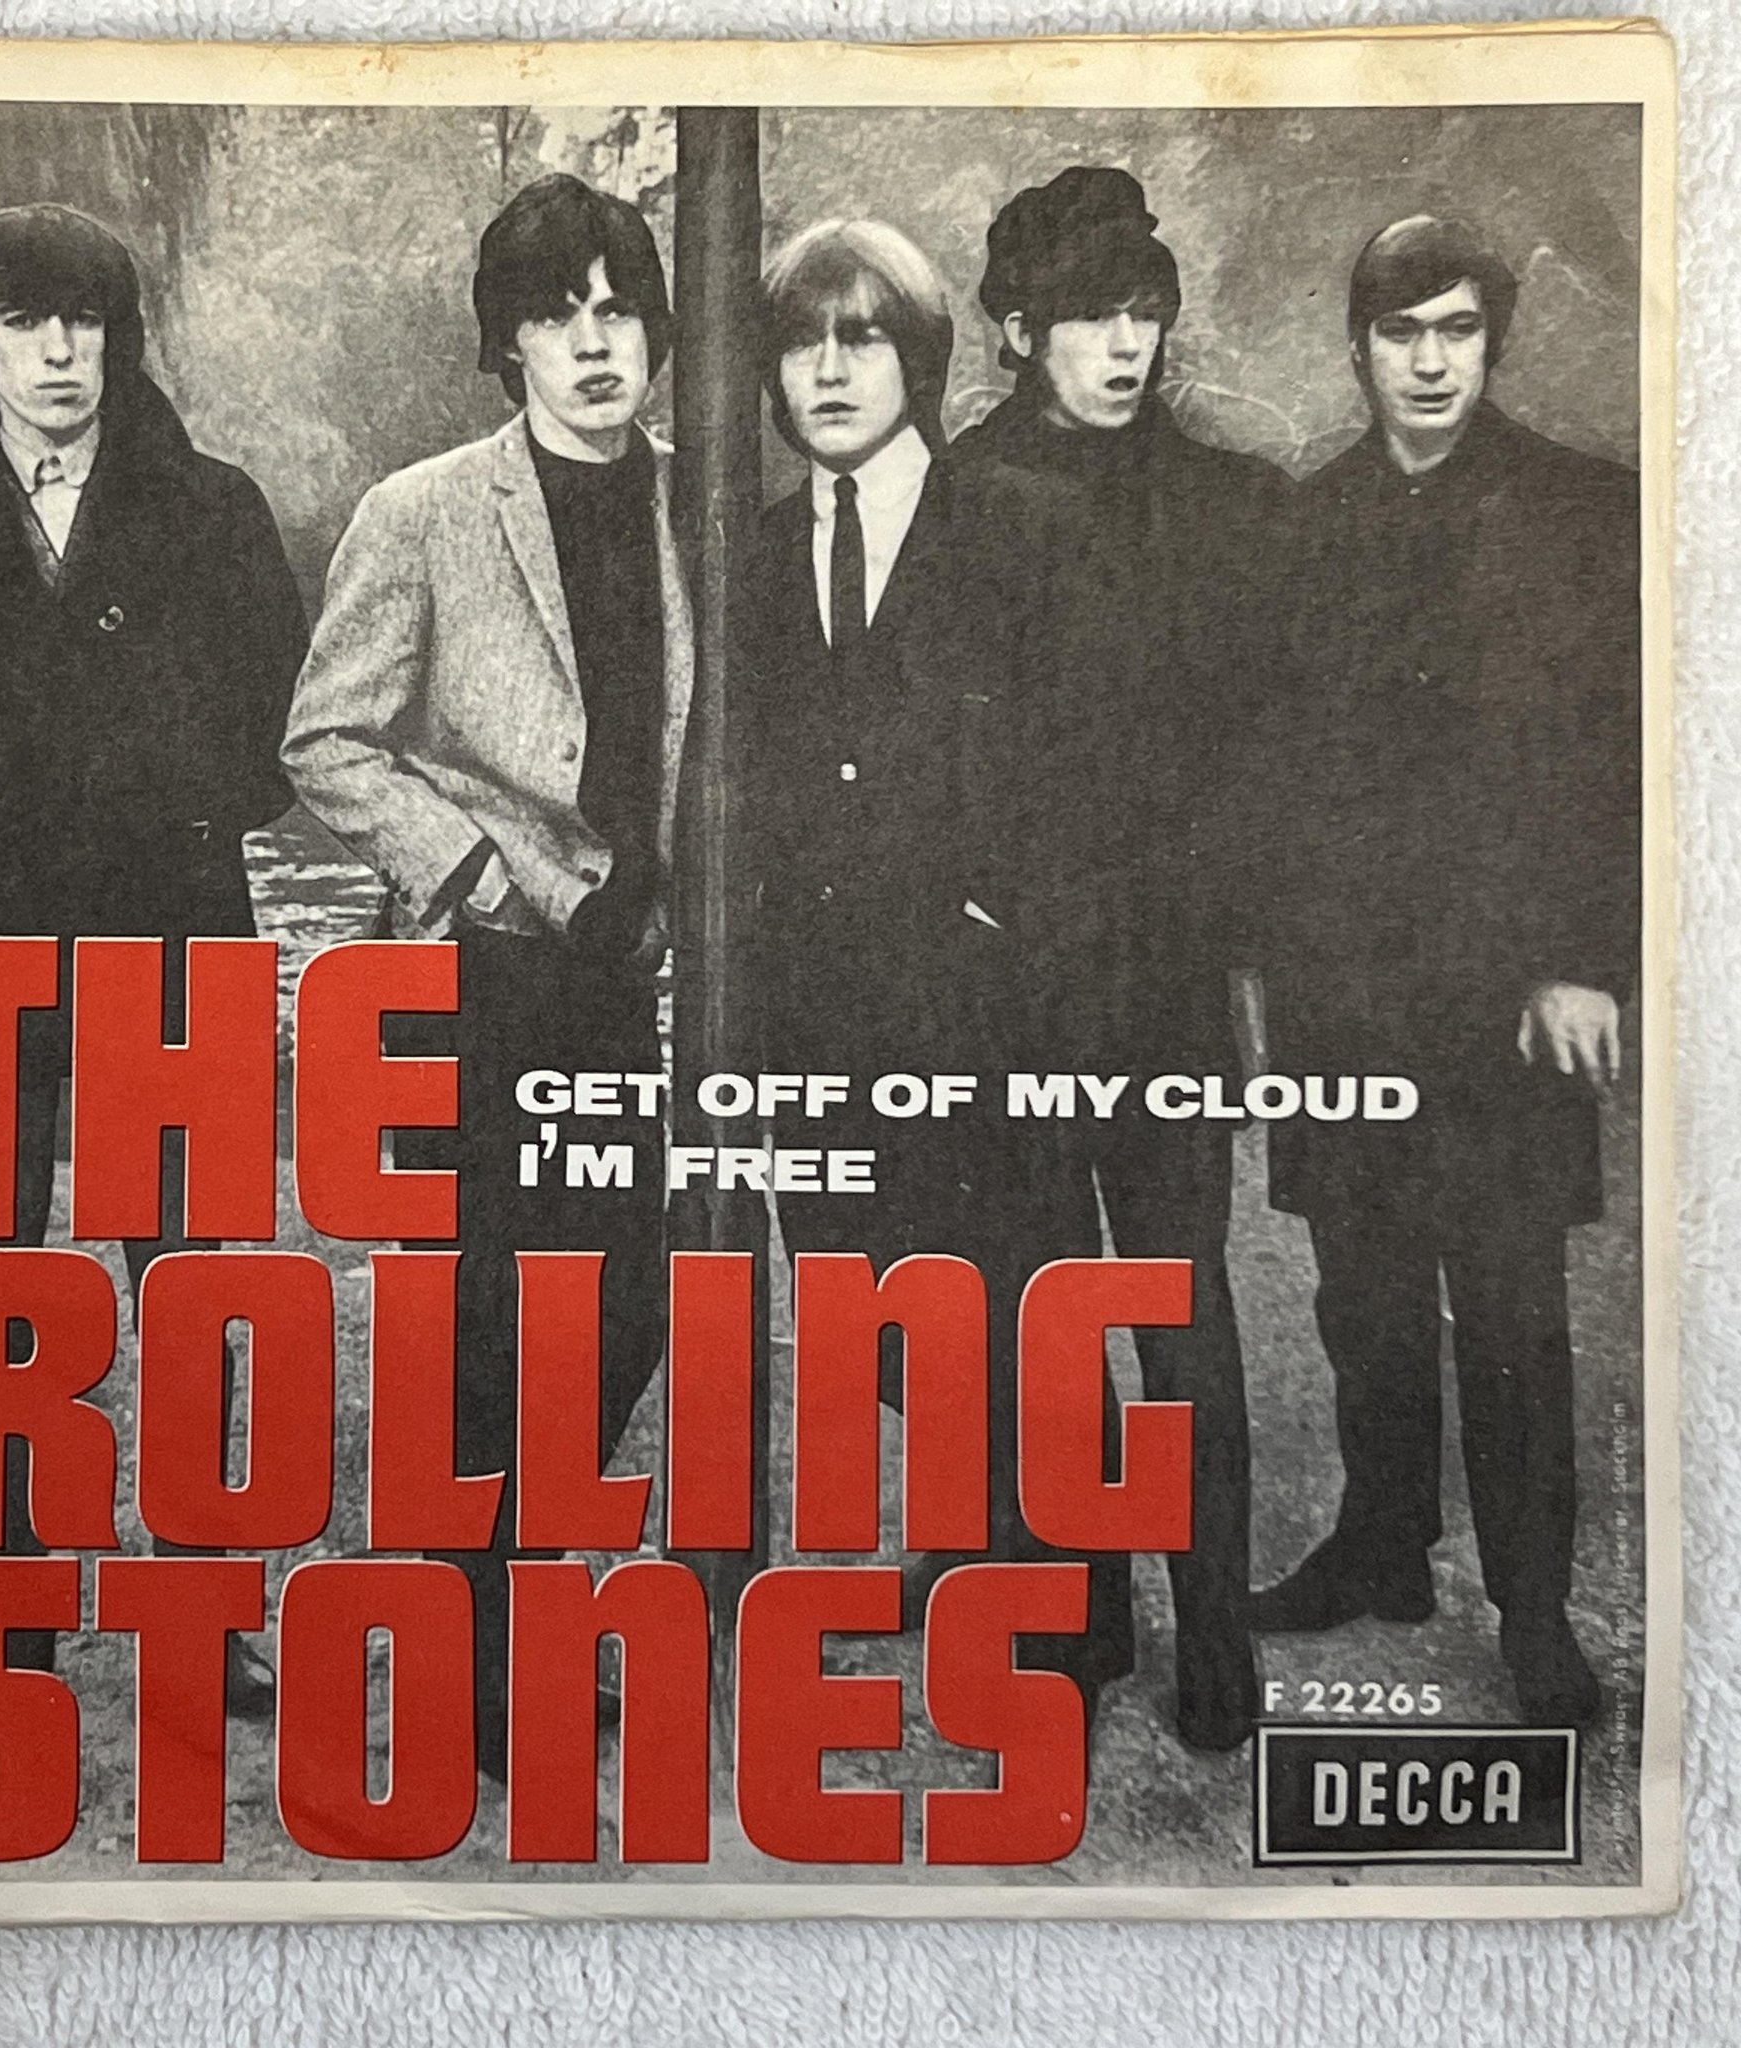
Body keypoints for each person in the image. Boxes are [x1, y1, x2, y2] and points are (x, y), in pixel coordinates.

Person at [0, 203, 309, 1713]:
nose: (60, 352)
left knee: (181, 1279)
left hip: (165, 933)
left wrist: (137, 805)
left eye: (86, 320)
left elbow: (273, 732)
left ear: (120, 335)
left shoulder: (214, 512)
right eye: (22, 321)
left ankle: (200, 1613)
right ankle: (4, 1610)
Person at [280, 173, 694, 1781]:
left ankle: (516, 1599)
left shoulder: (696, 510)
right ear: (507, 340)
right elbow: (327, 738)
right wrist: (472, 874)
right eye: (555, 314)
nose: (594, 344)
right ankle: (477, 1655)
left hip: (629, 981)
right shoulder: (425, 510)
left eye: (620, 311)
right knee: (484, 1326)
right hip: (483, 977)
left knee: (631, 1303)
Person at [741, 217, 1133, 1731]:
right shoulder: (754, 548)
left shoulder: (1026, 524)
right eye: (802, 343)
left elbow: (1091, 771)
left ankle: (1078, 1603)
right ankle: (971, 1539)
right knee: (879, 1301)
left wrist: (1013, 930)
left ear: (922, 358)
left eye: (864, 339)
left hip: (989, 1001)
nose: (832, 371)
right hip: (823, 1008)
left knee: (1020, 1287)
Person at [1253, 216, 1639, 1728]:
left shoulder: (1581, 511)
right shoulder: (1308, 523)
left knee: (1511, 1309)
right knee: (1363, 1292)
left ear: (1494, 340)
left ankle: (1534, 1612)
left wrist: (1583, 961)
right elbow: (1277, 769)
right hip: (1347, 990)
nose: (1429, 362)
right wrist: (1278, 965)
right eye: (1401, 333)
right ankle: (1381, 1547)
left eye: (1458, 330)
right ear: (1358, 348)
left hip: (1510, 995)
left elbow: (1621, 763)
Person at [952, 167, 1285, 1751]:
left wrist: (1209, 914)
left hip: (1162, 972)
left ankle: (1215, 1634)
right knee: (1044, 1307)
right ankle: (1081, 1618)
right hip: (1012, 976)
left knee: (1182, 1303)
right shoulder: (951, 500)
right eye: (1092, 315)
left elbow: (1266, 751)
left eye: (1146, 313)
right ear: (1022, 330)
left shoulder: (1229, 503)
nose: (1127, 344)